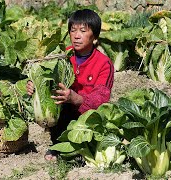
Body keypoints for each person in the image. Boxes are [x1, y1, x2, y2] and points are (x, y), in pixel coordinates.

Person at [26, 9, 114, 161]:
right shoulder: (62, 55)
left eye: (83, 31)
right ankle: (58, 145)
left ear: (95, 36)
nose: (77, 35)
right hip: (63, 113)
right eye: (73, 31)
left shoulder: (104, 64)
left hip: (88, 117)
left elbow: (101, 100)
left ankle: (82, 149)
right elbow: (46, 79)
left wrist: (76, 99)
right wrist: (34, 86)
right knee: (59, 107)